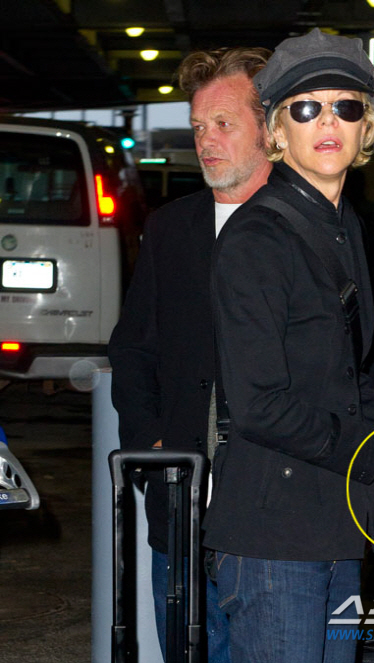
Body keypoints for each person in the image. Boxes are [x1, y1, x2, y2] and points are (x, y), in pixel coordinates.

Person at [204, 29, 374, 663]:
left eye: (346, 106)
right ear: (276, 129)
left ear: (366, 126)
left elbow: (355, 378)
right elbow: (258, 405)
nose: (327, 121)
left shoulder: (347, 230)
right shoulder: (256, 239)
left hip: (338, 526)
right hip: (274, 540)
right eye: (306, 107)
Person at [108, 46, 272, 661]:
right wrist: (152, 444)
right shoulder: (171, 227)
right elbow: (132, 348)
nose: (206, 140)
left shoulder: (306, 225)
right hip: (183, 508)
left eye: (223, 123)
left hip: (274, 520)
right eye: (199, 126)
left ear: (269, 128)